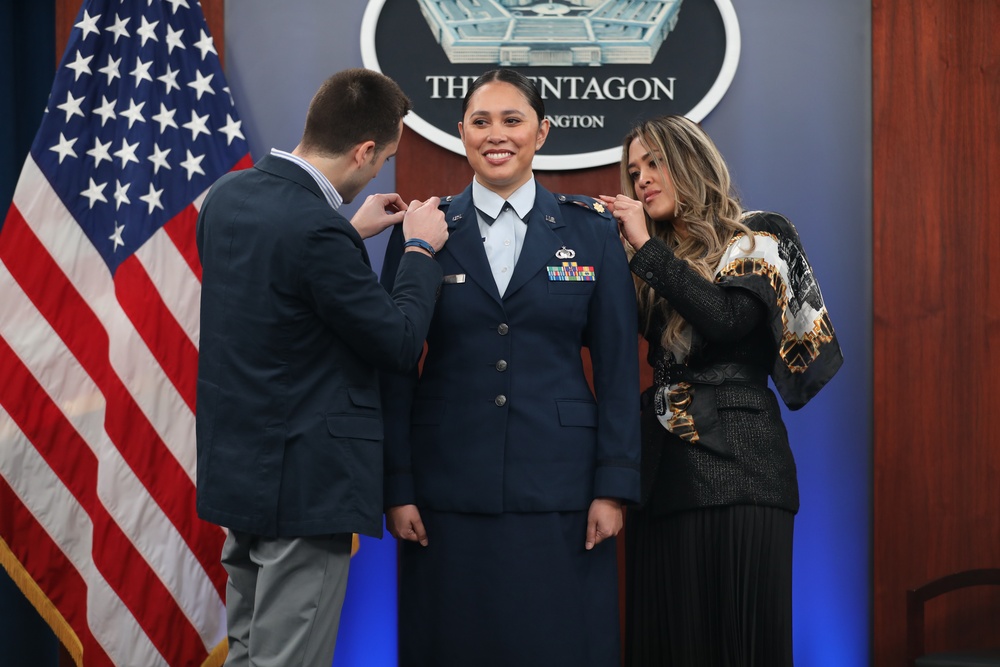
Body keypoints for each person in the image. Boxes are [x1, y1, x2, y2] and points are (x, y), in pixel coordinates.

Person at [379, 68, 641, 667]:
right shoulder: (423, 228)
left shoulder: (591, 232)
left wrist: (614, 487)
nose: (496, 135)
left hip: (563, 493)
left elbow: (620, 370)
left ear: (542, 132)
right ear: (461, 133)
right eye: (480, 121)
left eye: (513, 119)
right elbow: (394, 369)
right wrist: (398, 485)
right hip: (446, 490)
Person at [194, 68, 448, 667]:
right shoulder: (315, 230)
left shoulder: (230, 196)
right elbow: (397, 341)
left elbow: (279, 293)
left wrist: (346, 230)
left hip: (241, 478)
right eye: (383, 158)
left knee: (250, 655)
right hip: (303, 490)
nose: (378, 169)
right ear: (364, 150)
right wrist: (418, 250)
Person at [598, 115, 843, 666]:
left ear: (691, 162)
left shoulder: (759, 233)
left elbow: (728, 320)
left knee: (740, 646)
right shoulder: (648, 264)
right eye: (634, 171)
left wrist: (643, 248)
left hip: (741, 471)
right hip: (661, 478)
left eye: (655, 163)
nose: (642, 180)